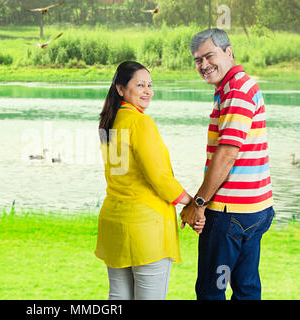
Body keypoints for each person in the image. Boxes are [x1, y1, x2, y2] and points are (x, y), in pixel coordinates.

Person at [181, 29, 275, 300]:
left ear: (228, 52)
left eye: (209, 56)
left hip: (229, 214)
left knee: (212, 291)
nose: (203, 65)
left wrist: (198, 204)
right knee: (246, 289)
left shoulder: (236, 91)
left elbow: (226, 156)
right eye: (197, 60)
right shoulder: (238, 87)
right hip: (254, 209)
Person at [95, 61, 199, 300]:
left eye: (150, 85)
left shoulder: (109, 122)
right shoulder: (141, 123)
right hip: (145, 229)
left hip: (115, 222)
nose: (147, 91)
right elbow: (159, 177)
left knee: (119, 297)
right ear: (120, 89)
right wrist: (191, 202)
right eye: (140, 85)